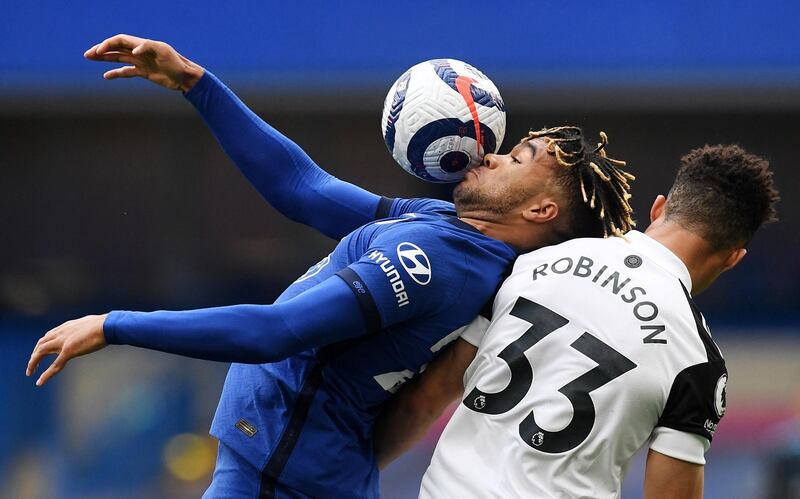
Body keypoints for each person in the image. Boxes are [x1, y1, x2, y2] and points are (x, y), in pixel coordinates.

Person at [26, 35, 636, 499]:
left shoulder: (433, 263)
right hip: (292, 469)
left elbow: (276, 332)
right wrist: (195, 82)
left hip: (282, 479)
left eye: (519, 158)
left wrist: (115, 325)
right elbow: (304, 188)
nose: (496, 154)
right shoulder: (446, 228)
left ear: (541, 208)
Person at [373, 144, 779, 498]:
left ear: (659, 208)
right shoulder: (698, 362)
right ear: (733, 258)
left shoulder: (533, 261)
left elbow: (423, 401)